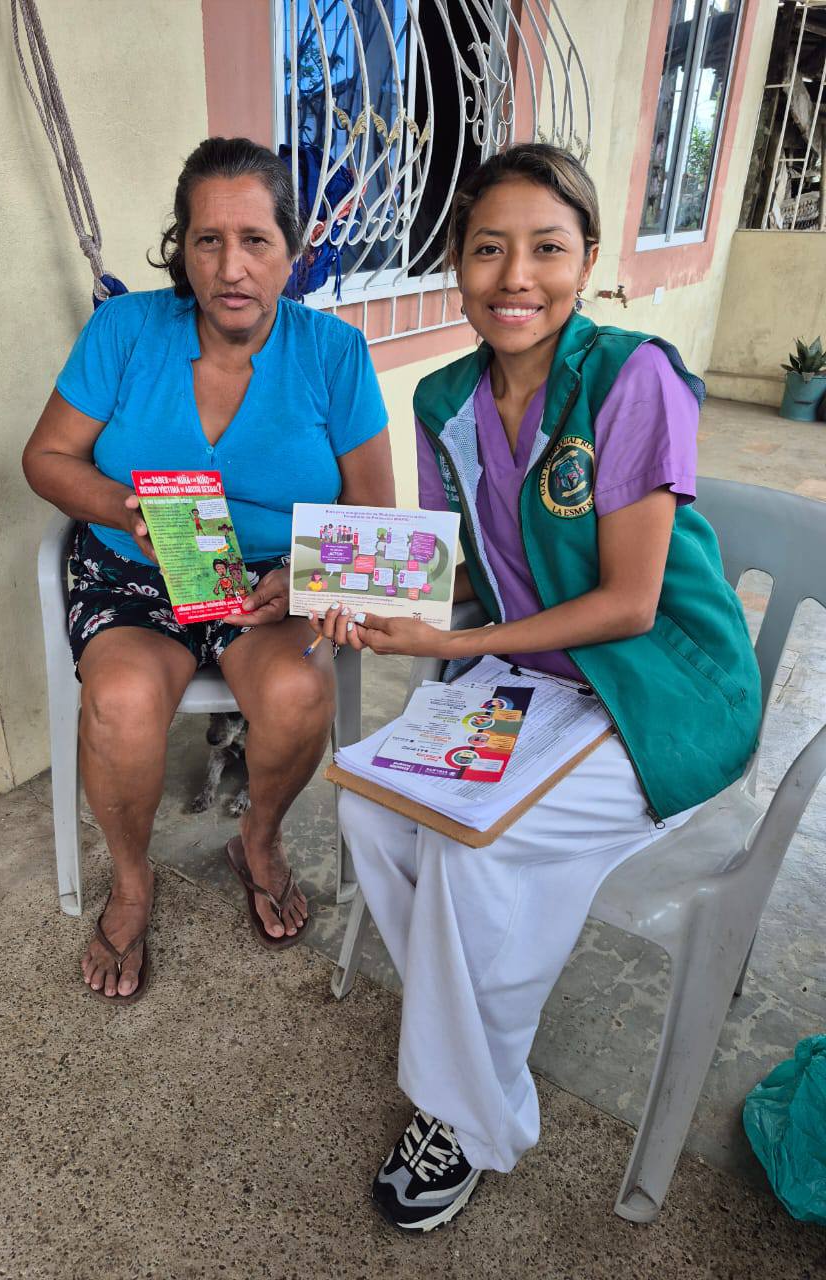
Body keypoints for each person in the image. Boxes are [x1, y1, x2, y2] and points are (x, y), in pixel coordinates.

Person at [309, 143, 760, 1232]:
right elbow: (463, 568)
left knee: (474, 852)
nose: (517, 276)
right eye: (488, 249)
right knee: (372, 809)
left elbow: (630, 604)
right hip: (532, 682)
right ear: (455, 266)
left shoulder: (633, 379)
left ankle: (463, 1116)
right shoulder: (446, 398)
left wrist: (453, 638)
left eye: (547, 248)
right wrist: (360, 598)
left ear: (588, 259)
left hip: (657, 694)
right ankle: (469, 1047)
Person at [23, 136, 393, 1001]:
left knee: (298, 694)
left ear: (291, 250)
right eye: (208, 240)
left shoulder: (333, 354)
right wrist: (125, 509)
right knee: (120, 702)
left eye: (255, 240)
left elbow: (375, 515)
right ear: (181, 249)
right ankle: (132, 881)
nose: (231, 268)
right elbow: (46, 458)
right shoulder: (124, 329)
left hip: (270, 584)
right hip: (134, 572)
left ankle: (257, 840)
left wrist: (303, 578)